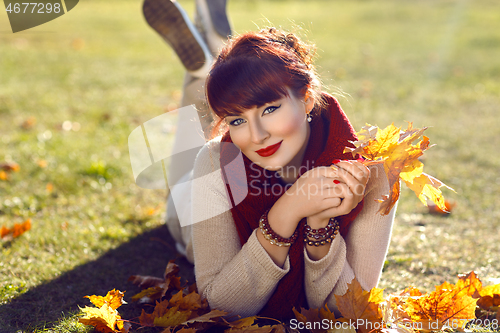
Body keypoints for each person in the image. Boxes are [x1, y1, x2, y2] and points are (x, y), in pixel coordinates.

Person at [143, 1, 395, 322]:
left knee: (227, 97)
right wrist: (286, 212)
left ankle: (210, 67)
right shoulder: (215, 161)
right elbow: (221, 305)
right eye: (236, 121)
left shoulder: (368, 173)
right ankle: (204, 72)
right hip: (191, 212)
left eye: (269, 109)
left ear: (305, 98)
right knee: (179, 190)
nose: (257, 135)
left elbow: (344, 312)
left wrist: (319, 224)